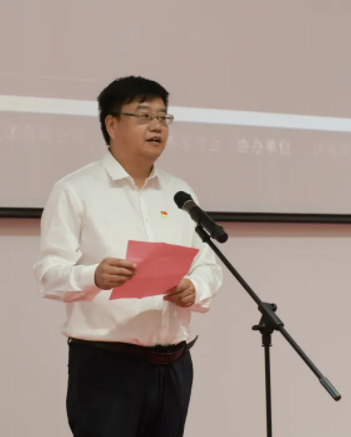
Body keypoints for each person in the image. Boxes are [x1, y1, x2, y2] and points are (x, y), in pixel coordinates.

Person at [33, 75, 223, 437]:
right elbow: (48, 273)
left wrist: (195, 288)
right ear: (111, 124)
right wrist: (93, 276)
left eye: (163, 117)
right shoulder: (76, 190)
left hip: (174, 365)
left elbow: (208, 264)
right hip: (107, 367)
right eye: (144, 115)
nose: (157, 126)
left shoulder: (179, 193)